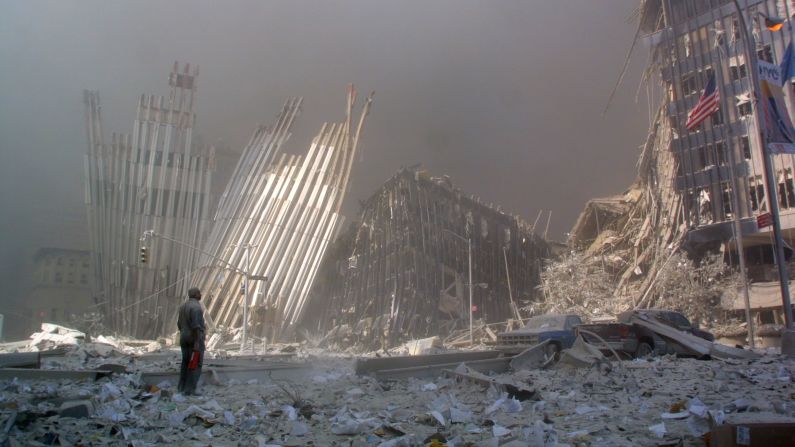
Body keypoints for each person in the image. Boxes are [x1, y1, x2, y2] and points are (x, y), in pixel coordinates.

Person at [177, 287, 206, 395]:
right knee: (195, 363)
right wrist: (197, 342)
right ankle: (190, 389)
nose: (201, 294)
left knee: (185, 362)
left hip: (183, 337)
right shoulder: (196, 308)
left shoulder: (183, 306)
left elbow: (179, 324)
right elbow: (196, 326)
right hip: (194, 338)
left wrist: (184, 333)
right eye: (199, 293)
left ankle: (181, 387)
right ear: (196, 294)